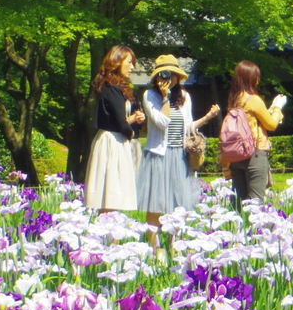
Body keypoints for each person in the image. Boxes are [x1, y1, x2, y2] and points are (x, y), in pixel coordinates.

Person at [138, 54, 219, 228]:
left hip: (179, 155)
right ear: (156, 76)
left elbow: (189, 126)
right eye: (164, 74)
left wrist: (207, 117)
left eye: (172, 74)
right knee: (156, 203)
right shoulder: (149, 95)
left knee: (178, 205)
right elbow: (161, 122)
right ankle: (155, 248)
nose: (168, 78)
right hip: (159, 155)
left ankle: (173, 246)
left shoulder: (184, 96)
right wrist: (165, 98)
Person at [84, 45, 147, 213]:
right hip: (112, 142)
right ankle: (108, 236)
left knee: (114, 194)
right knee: (110, 193)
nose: (132, 67)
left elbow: (123, 121)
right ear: (117, 62)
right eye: (129, 62)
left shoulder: (119, 89)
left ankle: (112, 236)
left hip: (118, 141)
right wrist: (131, 126)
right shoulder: (111, 90)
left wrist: (136, 120)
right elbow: (121, 123)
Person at [224, 60, 285, 205]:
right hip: (254, 153)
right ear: (251, 79)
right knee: (256, 203)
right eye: (256, 77)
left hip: (236, 155)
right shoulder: (254, 100)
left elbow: (255, 121)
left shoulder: (234, 100)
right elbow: (271, 125)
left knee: (239, 203)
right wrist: (278, 107)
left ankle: (238, 228)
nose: (258, 80)